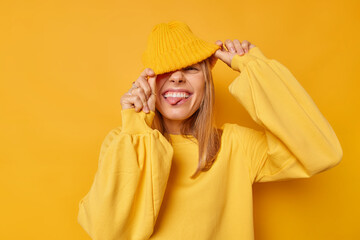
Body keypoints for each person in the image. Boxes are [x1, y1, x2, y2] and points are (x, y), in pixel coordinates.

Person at [77, 21, 343, 240]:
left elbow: (322, 152)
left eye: (191, 68)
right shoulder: (123, 142)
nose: (178, 77)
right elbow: (107, 233)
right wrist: (135, 127)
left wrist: (254, 69)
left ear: (206, 81)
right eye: (166, 69)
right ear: (147, 83)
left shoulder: (235, 146)